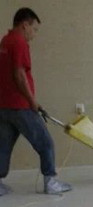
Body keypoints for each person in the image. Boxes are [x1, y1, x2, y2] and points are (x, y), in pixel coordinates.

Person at [0, 7, 72, 196]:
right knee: (45, 143)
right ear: (25, 25)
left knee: (3, 146)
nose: (34, 34)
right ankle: (50, 182)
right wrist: (32, 101)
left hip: (4, 106)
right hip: (20, 106)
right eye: (34, 29)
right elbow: (19, 74)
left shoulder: (5, 41)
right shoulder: (19, 43)